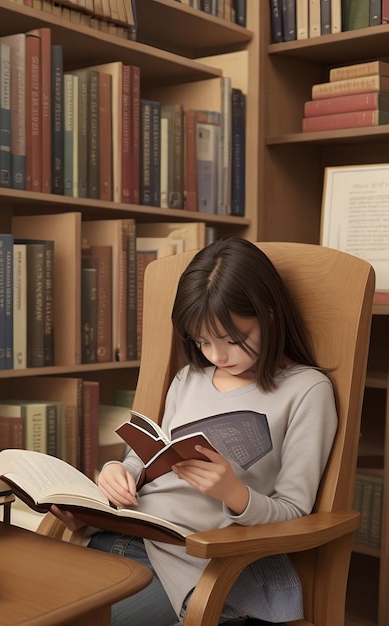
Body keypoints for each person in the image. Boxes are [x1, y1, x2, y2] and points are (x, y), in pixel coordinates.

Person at [52, 237, 338, 626]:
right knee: (25, 598)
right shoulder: (189, 378)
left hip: (193, 562)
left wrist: (234, 494)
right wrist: (120, 473)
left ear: (269, 314)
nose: (218, 355)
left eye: (233, 340)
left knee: (69, 617)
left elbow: (294, 512)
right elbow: (149, 455)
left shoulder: (306, 391)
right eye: (203, 341)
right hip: (123, 530)